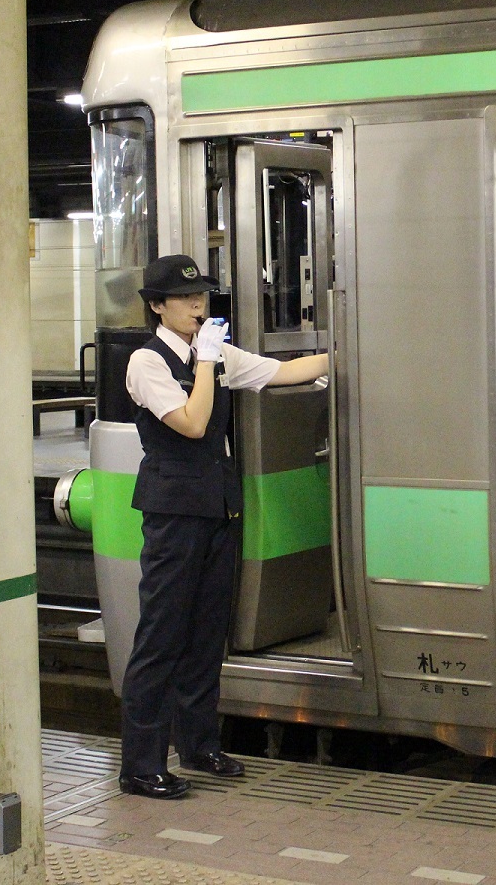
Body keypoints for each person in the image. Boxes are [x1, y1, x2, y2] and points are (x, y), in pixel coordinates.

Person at [119, 254, 330, 799]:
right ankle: (141, 764)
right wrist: (210, 364)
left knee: (208, 631)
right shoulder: (147, 363)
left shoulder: (209, 353)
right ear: (157, 306)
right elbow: (191, 423)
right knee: (162, 635)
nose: (197, 306)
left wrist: (346, 355)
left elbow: (282, 372)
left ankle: (198, 743)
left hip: (217, 507)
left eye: (202, 297)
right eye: (186, 299)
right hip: (173, 514)